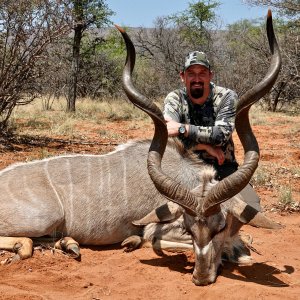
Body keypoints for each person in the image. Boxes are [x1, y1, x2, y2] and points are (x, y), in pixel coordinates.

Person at [163, 51, 260, 211]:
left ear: (210, 75)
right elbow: (167, 137)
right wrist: (204, 147)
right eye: (191, 74)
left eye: (202, 73)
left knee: (252, 208)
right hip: (184, 168)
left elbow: (220, 136)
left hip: (222, 168)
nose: (197, 79)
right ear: (183, 76)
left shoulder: (226, 96)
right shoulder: (174, 98)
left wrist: (182, 128)